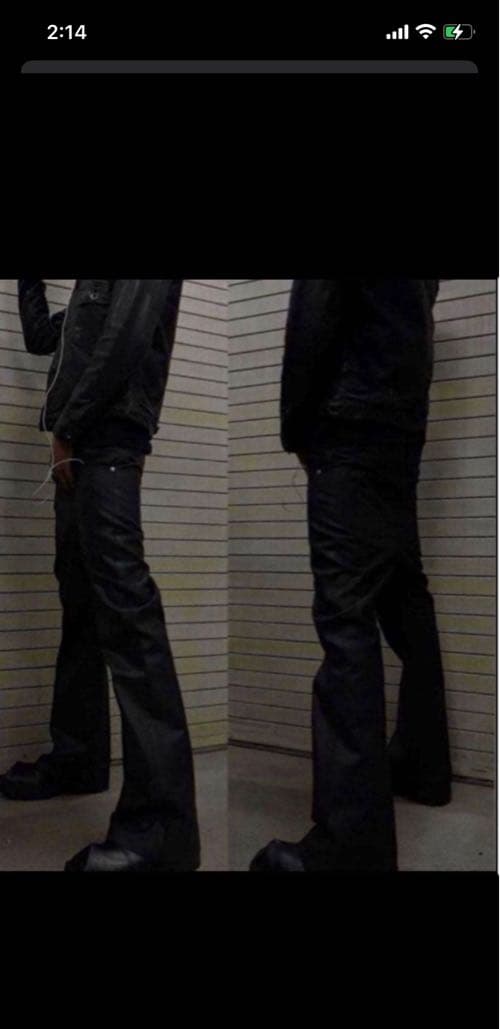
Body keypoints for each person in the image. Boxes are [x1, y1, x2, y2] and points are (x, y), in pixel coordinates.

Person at [250, 279, 452, 873]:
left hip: (349, 422)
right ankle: (422, 765)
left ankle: (351, 843)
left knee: (346, 619)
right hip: (400, 426)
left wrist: (295, 428)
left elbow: (314, 317)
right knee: (405, 597)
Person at [0, 279, 200, 873]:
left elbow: (127, 338)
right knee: (83, 609)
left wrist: (68, 427)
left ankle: (161, 828)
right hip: (83, 448)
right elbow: (43, 337)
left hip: (104, 443)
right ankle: (78, 758)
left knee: (130, 620)